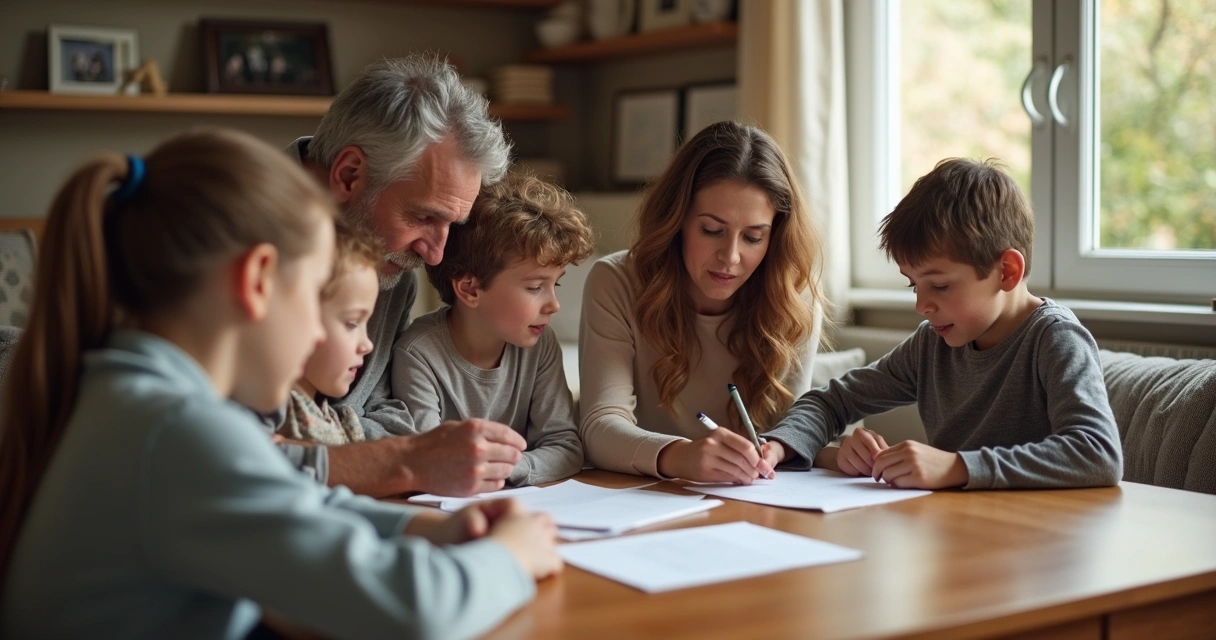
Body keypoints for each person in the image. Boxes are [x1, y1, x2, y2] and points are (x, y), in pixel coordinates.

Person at [0, 129, 561, 639]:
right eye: (317, 295)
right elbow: (414, 608)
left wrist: (427, 528)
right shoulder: (178, 431)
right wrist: (513, 554)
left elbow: (289, 502)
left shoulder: (129, 392)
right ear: (257, 281)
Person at [760, 158, 1123, 490]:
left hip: (1043, 542)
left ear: (1007, 272)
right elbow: (831, 401)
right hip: (961, 534)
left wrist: (957, 467)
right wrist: (780, 445)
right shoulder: (931, 345)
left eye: (940, 286)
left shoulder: (1054, 338)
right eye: (913, 285)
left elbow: (1097, 453)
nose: (921, 305)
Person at [284, 54, 530, 498]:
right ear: (349, 174)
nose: (436, 255)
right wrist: (403, 461)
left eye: (450, 226)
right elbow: (220, 453)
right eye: (423, 216)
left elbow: (393, 416)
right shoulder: (224, 242)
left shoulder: (392, 273)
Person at [579, 121, 829, 484]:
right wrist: (680, 456)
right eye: (712, 231)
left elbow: (785, 437)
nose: (730, 257)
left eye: (754, 237)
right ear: (677, 220)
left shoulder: (796, 301)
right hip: (645, 498)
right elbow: (600, 427)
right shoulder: (616, 282)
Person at [393, 174, 592, 487]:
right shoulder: (418, 354)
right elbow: (430, 459)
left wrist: (503, 469)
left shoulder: (539, 344)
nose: (553, 304)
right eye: (536, 287)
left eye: (556, 283)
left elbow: (566, 448)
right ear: (470, 290)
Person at [277, 220, 381, 446]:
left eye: (366, 323)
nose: (367, 344)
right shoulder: (275, 418)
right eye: (352, 323)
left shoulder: (340, 422)